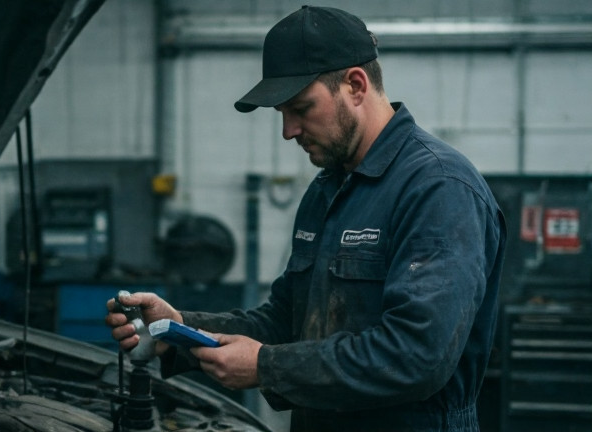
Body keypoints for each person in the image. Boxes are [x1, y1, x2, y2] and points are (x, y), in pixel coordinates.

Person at [106, 5, 506, 432]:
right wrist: (181, 330)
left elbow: (416, 356)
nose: (288, 130)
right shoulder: (328, 189)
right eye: (282, 113)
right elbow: (286, 320)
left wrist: (267, 367)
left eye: (300, 108)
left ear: (355, 85)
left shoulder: (438, 189)